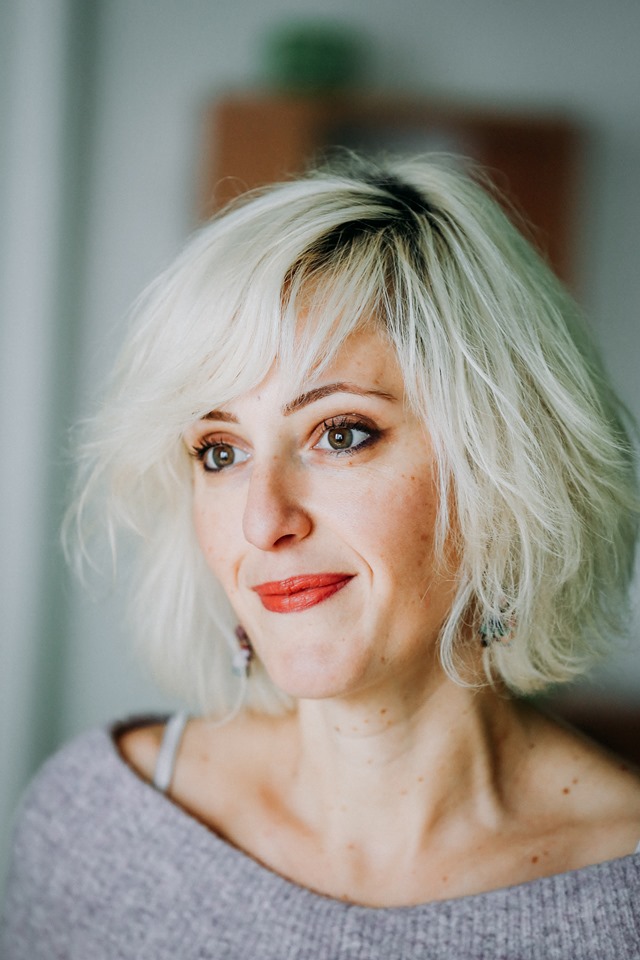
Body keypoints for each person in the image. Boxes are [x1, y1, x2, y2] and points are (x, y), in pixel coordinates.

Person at [3, 153, 640, 959]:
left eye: (340, 434)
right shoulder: (98, 824)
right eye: (220, 451)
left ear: (500, 468)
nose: (262, 521)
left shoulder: (621, 905)